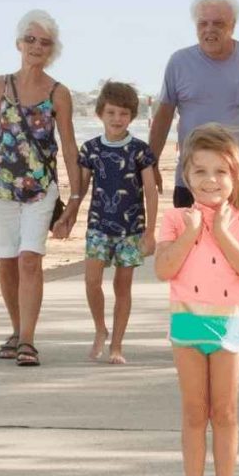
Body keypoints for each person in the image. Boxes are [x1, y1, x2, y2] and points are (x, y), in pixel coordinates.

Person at [154, 124, 239, 476]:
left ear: (235, 175)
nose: (210, 180)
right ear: (186, 176)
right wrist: (190, 235)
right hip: (187, 323)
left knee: (225, 412)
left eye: (220, 171)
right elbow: (164, 269)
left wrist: (220, 231)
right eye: (200, 171)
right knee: (193, 411)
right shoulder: (174, 219)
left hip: (229, 324)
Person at [0, 9, 81, 367]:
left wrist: (75, 198)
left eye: (44, 42)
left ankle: (28, 340)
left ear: (52, 50)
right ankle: (16, 330)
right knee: (7, 262)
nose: (36, 46)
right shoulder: (0, 85)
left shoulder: (59, 93)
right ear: (18, 43)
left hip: (41, 188)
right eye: (30, 39)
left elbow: (70, 146)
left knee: (30, 259)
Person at [148, 0, 239, 208]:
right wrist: (152, 163)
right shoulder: (179, 62)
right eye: (203, 23)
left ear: (233, 26)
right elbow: (162, 119)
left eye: (218, 23)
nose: (209, 29)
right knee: (190, 240)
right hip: (191, 180)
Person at [76, 82, 158, 365]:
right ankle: (100, 328)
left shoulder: (140, 150)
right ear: (100, 113)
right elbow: (81, 188)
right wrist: (68, 215)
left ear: (132, 116)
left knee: (123, 288)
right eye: (111, 112)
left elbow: (150, 191)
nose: (116, 119)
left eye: (123, 113)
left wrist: (150, 231)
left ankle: (117, 346)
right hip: (98, 226)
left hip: (131, 230)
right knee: (91, 281)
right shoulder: (90, 149)